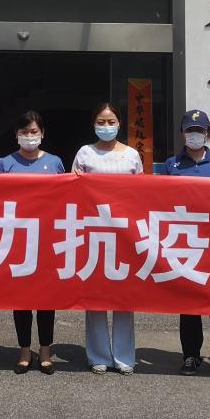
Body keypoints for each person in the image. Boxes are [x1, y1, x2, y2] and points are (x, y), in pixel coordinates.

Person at [156, 108, 210, 378]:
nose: (194, 135)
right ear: (182, 134)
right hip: (185, 239)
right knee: (189, 301)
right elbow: (159, 200)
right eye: (190, 131)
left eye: (199, 131)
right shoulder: (172, 165)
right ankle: (190, 355)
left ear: (207, 134)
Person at [72, 102, 143, 375]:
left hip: (125, 232)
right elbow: (72, 190)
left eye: (111, 121)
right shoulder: (85, 153)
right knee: (96, 295)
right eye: (101, 121)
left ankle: (124, 356)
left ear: (120, 123)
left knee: (124, 295)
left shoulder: (132, 155)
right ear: (93, 124)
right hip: (93, 230)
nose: (106, 126)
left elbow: (144, 193)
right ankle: (98, 355)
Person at [0, 110, 66, 375]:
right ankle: (24, 351)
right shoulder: (5, 163)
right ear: (16, 135)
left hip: (48, 238)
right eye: (24, 132)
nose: (29, 136)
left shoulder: (55, 162)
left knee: (47, 297)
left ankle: (45, 351)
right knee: (21, 298)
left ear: (42, 133)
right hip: (17, 237)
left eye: (34, 131)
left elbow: (66, 198)